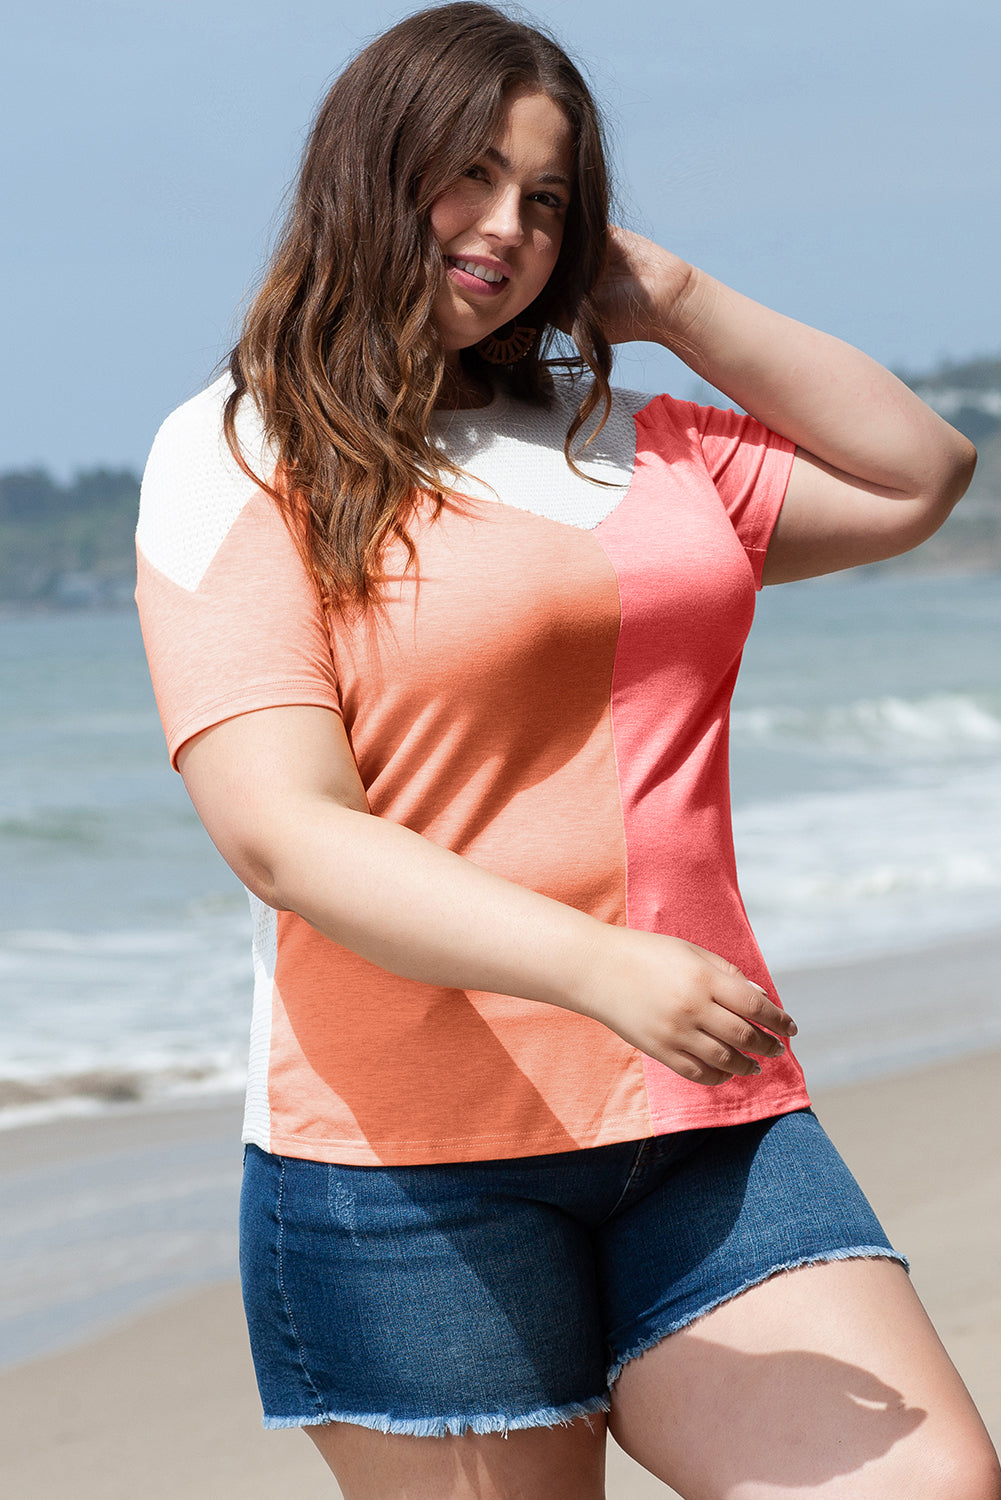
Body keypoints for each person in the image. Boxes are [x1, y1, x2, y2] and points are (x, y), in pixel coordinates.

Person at [136, 4, 1000, 1496]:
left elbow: (917, 472)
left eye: (545, 199)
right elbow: (287, 832)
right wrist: (602, 968)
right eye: (466, 176)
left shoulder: (636, 439)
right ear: (369, 170)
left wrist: (661, 288)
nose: (503, 227)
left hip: (704, 1122)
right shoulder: (243, 448)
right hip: (405, 1162)